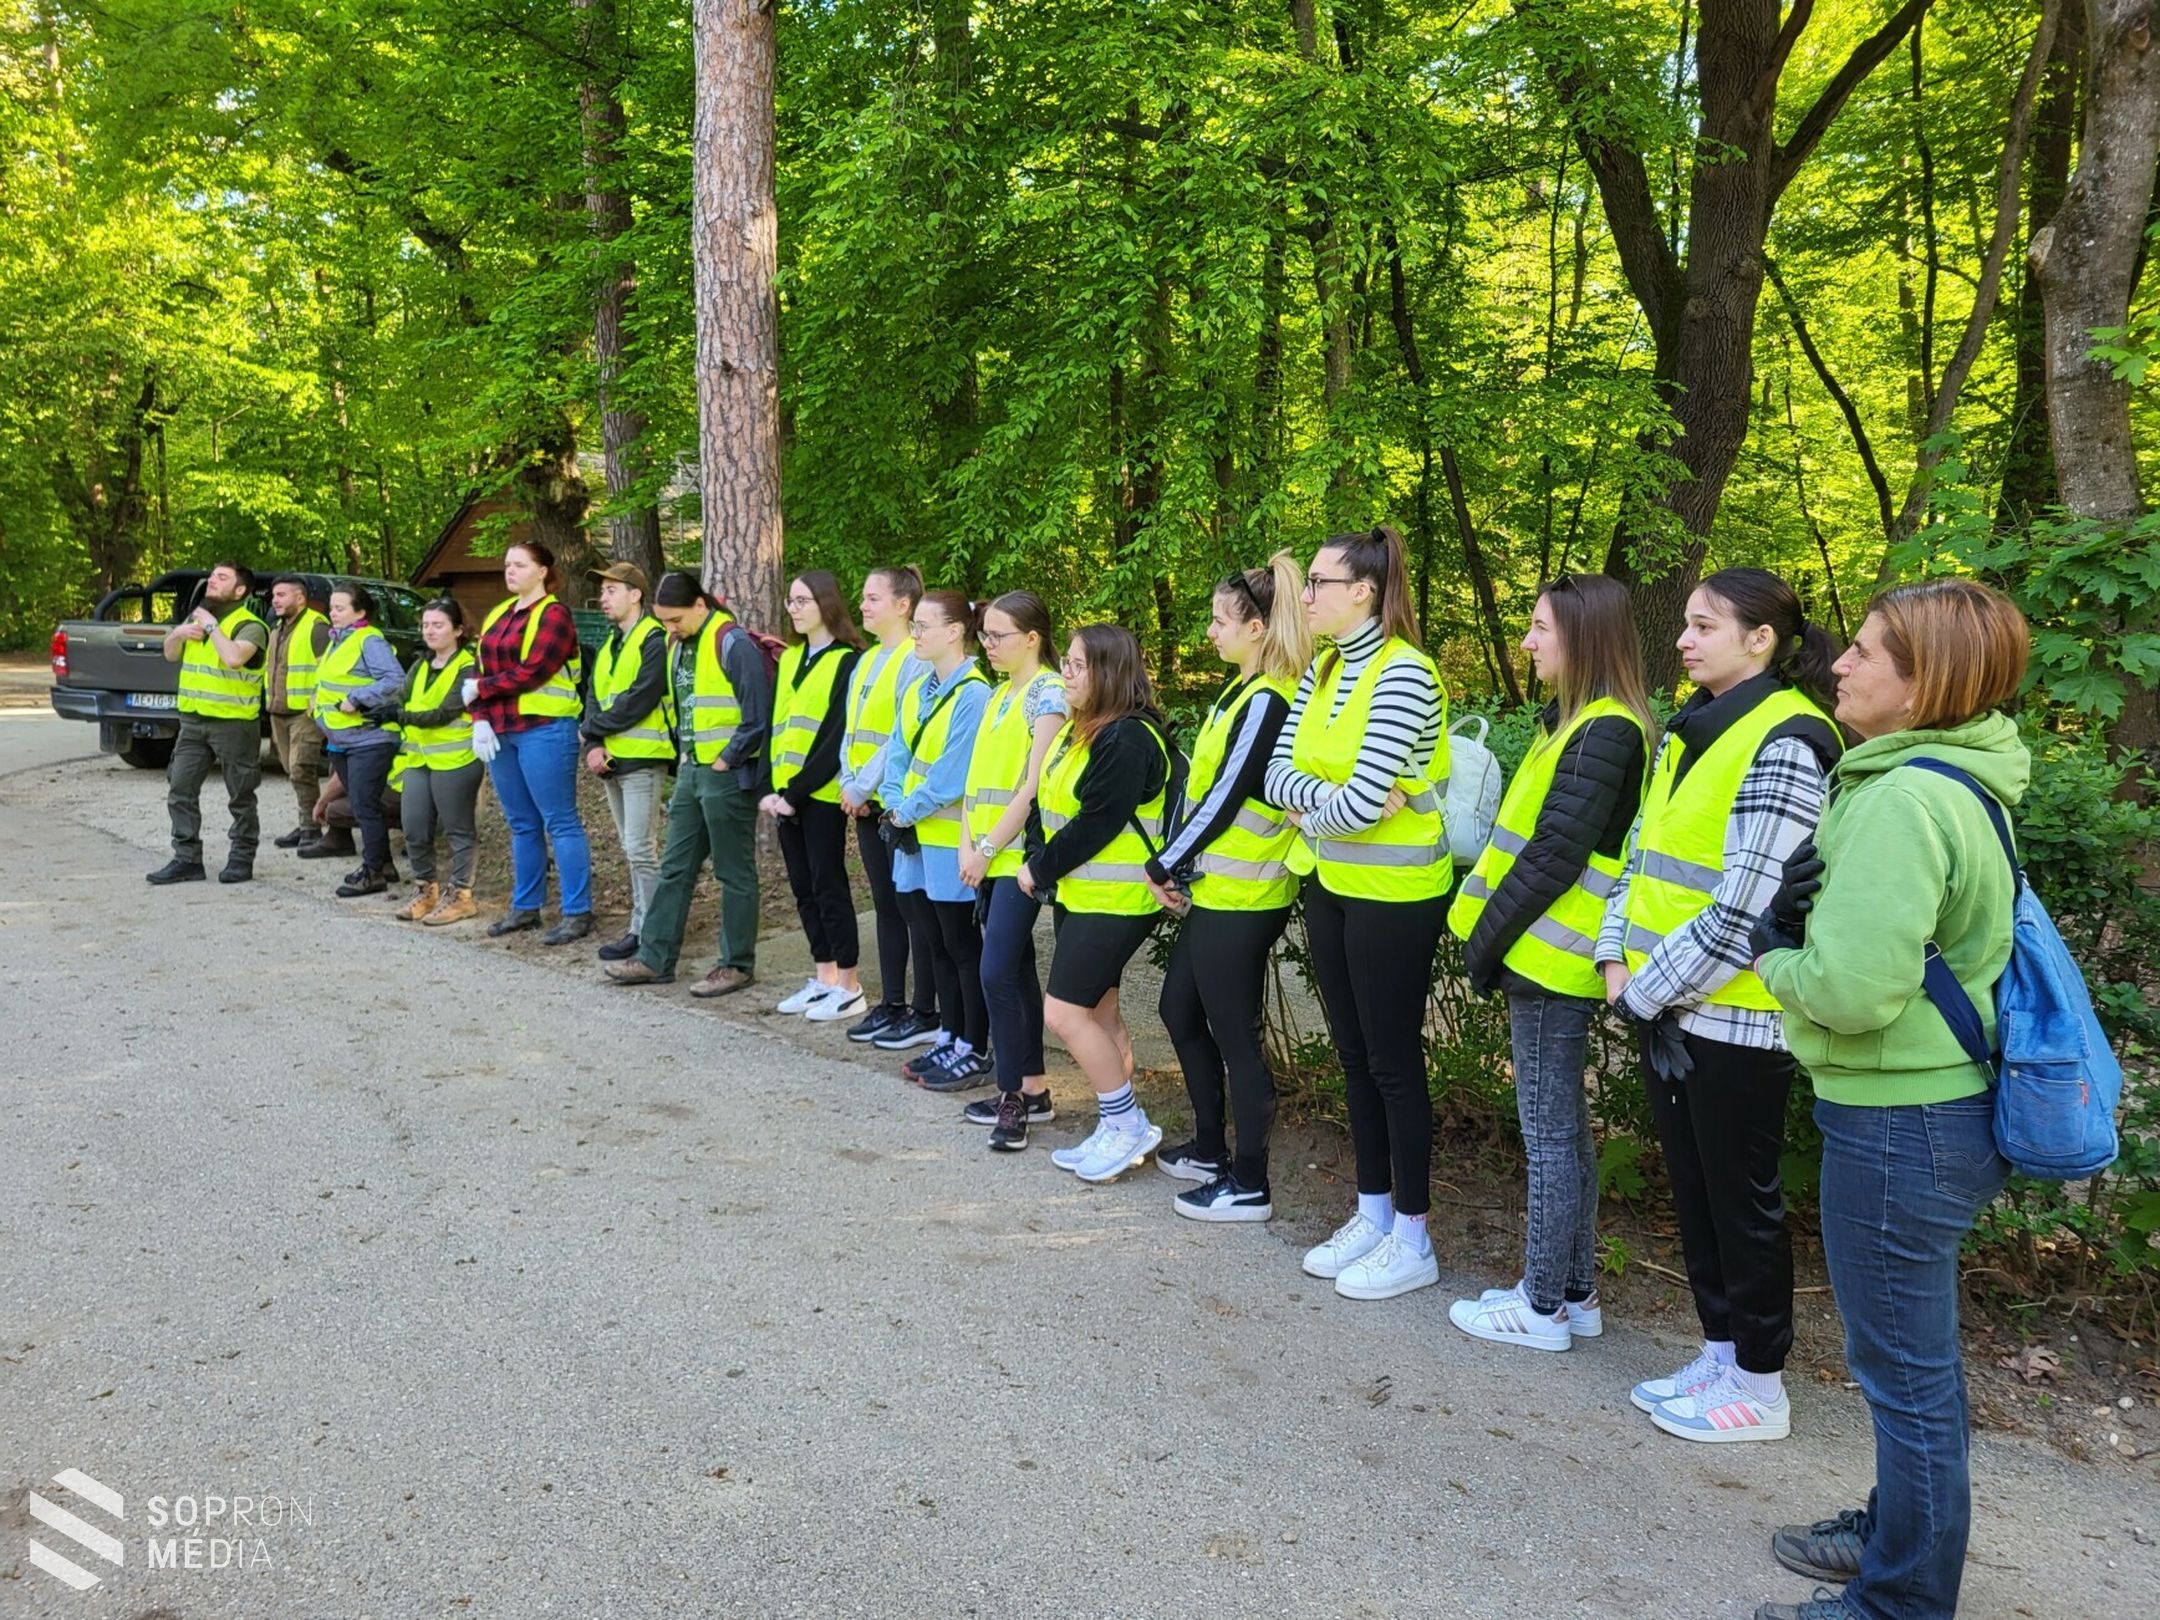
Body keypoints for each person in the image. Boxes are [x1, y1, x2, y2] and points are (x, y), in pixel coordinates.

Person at [1744, 580, 2027, 1620]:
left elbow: (1854, 993)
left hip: (1902, 1120)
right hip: (1932, 1114)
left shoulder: (1906, 798)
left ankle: (1900, 1600)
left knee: (1904, 1373)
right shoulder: (1952, 780)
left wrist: (1775, 959)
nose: (1841, 665)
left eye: (1866, 654)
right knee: (1912, 1363)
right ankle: (1896, 1529)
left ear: (1924, 686)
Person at [1595, 567, 1842, 1438]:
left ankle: (1762, 1383)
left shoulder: (1787, 739)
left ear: (1761, 639)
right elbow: (1639, 859)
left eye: (1703, 626)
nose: (1683, 639)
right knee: (1694, 1193)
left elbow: (1748, 904)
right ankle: (1720, 1351)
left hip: (1736, 1015)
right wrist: (1614, 959)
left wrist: (1644, 994)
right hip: (1667, 1006)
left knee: (1740, 1199)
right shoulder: (1690, 732)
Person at [1443, 574, 1655, 1349]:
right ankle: (1574, 1294)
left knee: (1550, 1136)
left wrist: (1484, 942)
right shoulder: (1577, 723)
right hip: (1543, 957)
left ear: (1584, 637)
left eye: (1539, 628)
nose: (1527, 642)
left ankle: (1539, 1308)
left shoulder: (1605, 730)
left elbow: (1553, 857)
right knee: (1565, 1130)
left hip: (1546, 960)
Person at [1264, 524, 1450, 1301]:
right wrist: (1323, 807)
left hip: (1396, 897)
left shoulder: (1405, 674)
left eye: (1318, 583)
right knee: (1351, 1053)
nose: (1304, 597)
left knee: (1392, 1062)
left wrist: (1327, 807)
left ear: (1364, 591)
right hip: (1333, 884)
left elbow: (1366, 804)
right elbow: (1277, 777)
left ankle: (1413, 1233)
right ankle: (1372, 1213)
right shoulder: (1324, 670)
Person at [1147, 554, 1312, 1217]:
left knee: (1236, 1040)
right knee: (1178, 1011)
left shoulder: (1269, 699)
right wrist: (1182, 864)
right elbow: (1200, 792)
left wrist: (1165, 863)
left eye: (1220, 620)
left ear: (1257, 627)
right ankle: (1211, 1148)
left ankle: (1249, 1182)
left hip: (1245, 897)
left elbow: (1224, 798)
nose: (1209, 632)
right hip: (1215, 891)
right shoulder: (1237, 693)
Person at [1030, 624, 1175, 1181]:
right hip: (1084, 894)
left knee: (1064, 1014)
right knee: (1099, 1011)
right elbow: (1052, 804)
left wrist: (1038, 868)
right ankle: (1115, 1123)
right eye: (1064, 663)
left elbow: (1099, 821)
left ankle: (1126, 1121)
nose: (1065, 674)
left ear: (1109, 672)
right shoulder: (1084, 730)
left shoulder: (1127, 737)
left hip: (1114, 901)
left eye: (1076, 665)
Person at [605, 571, 771, 995]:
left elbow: (758, 716)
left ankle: (736, 965)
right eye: (664, 621)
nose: (669, 628)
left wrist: (725, 761)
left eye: (676, 619)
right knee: (675, 866)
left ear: (700, 605)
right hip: (692, 773)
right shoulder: (678, 645)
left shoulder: (733, 643)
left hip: (726, 775)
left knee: (734, 872)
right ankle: (654, 959)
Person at [957, 591, 1067, 1150]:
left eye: (997, 635)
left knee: (996, 970)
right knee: (1014, 969)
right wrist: (965, 843)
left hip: (1020, 855)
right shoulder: (1002, 693)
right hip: (988, 854)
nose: (988, 645)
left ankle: (1012, 1098)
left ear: (1032, 638)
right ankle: (1033, 1089)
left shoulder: (1048, 694)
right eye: (984, 635)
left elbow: (1034, 785)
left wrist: (986, 847)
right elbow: (977, 784)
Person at [880, 590, 992, 1087]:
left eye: (924, 626)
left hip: (946, 839)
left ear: (954, 632)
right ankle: (949, 1034)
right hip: (912, 837)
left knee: (959, 945)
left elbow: (952, 774)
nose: (915, 634)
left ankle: (974, 1043)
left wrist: (904, 810)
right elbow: (897, 753)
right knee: (931, 939)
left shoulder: (974, 693)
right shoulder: (919, 688)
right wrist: (890, 800)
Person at [466, 540, 593, 944]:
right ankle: (526, 907)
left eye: (519, 565)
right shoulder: (499, 614)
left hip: (545, 728)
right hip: (502, 730)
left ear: (542, 571)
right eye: (507, 565)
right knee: (521, 823)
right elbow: (477, 669)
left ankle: (577, 912)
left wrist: (481, 691)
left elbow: (533, 671)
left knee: (560, 820)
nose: (510, 571)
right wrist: (481, 719)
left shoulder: (554, 614)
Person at [840, 566, 938, 1049]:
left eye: (873, 597)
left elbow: (901, 737)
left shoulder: (913, 661)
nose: (863, 605)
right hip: (863, 800)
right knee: (884, 904)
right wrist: (848, 781)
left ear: (904, 605)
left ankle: (924, 1007)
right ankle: (892, 1001)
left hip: (893, 804)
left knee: (910, 905)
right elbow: (852, 731)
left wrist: (862, 788)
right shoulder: (866, 661)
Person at [763, 570, 867, 1021]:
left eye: (803, 600)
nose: (795, 608)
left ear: (826, 603)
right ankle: (823, 977)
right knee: (803, 888)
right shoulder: (789, 659)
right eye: (791, 601)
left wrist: (797, 792)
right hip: (785, 796)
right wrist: (772, 789)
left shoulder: (847, 660)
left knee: (829, 885)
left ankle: (849, 983)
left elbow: (834, 737)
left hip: (819, 795)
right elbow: (776, 727)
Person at [148, 561, 270, 886]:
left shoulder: (251, 625)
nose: (212, 581)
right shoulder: (197, 618)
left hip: (234, 725)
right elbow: (171, 654)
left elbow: (233, 658)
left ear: (240, 590)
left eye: (222, 577)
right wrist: (177, 632)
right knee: (180, 788)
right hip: (193, 722)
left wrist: (213, 627)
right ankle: (187, 859)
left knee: (241, 795)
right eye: (213, 576)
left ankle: (241, 859)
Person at [581, 562, 672, 962]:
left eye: (611, 590)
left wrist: (592, 731)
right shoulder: (611, 643)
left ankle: (651, 932)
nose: (603, 598)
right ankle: (640, 927)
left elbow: (643, 696)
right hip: (612, 758)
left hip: (643, 758)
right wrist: (594, 742)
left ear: (636, 594)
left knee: (640, 848)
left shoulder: (654, 639)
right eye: (602, 591)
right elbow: (593, 694)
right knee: (630, 846)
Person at [310, 583, 408, 897]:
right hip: (342, 738)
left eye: (340, 608)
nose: (332, 612)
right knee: (364, 805)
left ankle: (374, 872)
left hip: (370, 737)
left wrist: (357, 697)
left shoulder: (369, 639)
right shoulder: (339, 640)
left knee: (365, 805)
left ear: (360, 612)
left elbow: (395, 680)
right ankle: (384, 863)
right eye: (331, 607)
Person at [393, 598, 483, 925]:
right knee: (414, 827)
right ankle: (424, 889)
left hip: (457, 758)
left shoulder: (468, 666)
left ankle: (461, 895)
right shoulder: (420, 666)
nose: (429, 630)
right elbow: (399, 697)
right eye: (426, 624)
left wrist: (398, 714)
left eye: (438, 624)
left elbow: (444, 712)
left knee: (460, 829)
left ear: (458, 630)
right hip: (420, 757)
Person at [265, 575, 331, 849]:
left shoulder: (317, 627)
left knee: (301, 769)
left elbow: (327, 669)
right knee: (290, 769)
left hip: (305, 712)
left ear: (300, 598)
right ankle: (308, 821)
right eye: (274, 596)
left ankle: (311, 828)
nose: (275, 601)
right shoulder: (276, 630)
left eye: (281, 595)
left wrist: (316, 706)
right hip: (278, 711)